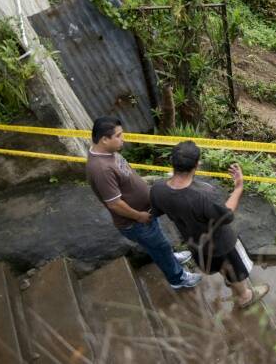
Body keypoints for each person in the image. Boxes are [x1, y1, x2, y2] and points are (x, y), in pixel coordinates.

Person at [85, 116, 201, 289]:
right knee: (158, 247)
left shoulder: (108, 153)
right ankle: (178, 279)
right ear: (104, 139)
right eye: (118, 135)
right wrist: (139, 216)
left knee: (160, 241)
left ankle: (170, 257)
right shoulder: (101, 169)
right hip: (135, 222)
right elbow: (114, 204)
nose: (123, 138)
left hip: (145, 213)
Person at [150, 140, 269, 308]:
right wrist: (238, 188)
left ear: (172, 162)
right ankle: (244, 297)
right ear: (197, 165)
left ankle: (229, 281)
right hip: (221, 244)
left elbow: (157, 210)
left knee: (219, 266)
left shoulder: (158, 189)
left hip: (195, 244)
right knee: (233, 268)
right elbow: (226, 216)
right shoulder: (203, 195)